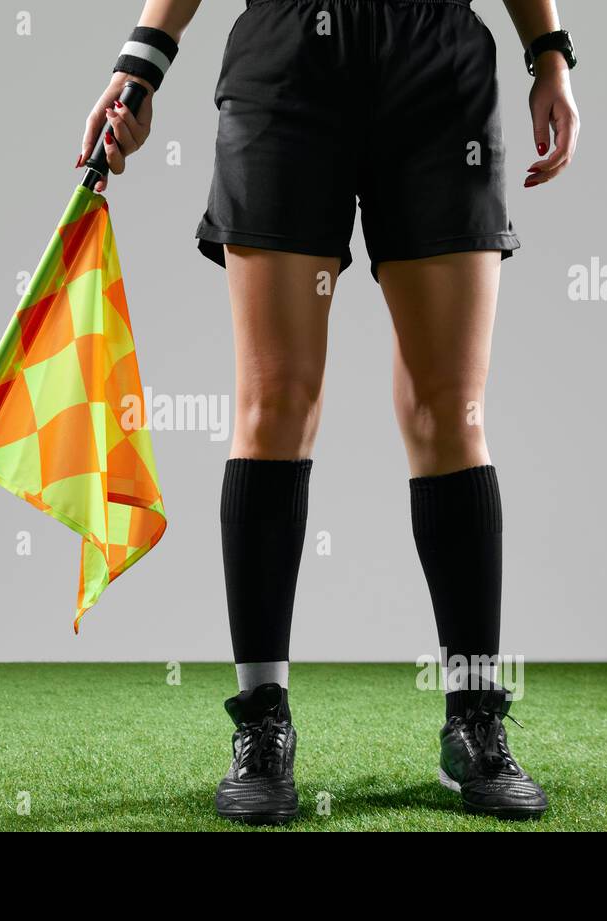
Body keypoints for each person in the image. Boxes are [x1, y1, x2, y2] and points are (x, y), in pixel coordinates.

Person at [79, 0, 579, 824]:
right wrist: (143, 58)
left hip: (438, 62)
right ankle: (264, 726)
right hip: (286, 63)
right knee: (274, 402)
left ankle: (474, 721)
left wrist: (549, 51)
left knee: (449, 409)